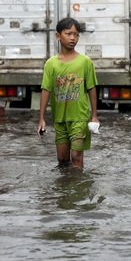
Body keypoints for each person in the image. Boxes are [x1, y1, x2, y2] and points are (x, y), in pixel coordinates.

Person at [37, 17, 100, 170]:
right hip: (60, 118)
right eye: (68, 34)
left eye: (76, 34)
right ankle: (65, 191)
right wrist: (42, 119)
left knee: (76, 158)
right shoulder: (51, 64)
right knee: (62, 159)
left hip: (80, 117)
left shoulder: (85, 62)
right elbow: (46, 90)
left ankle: (78, 191)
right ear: (58, 36)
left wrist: (94, 115)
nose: (73, 38)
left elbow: (91, 88)